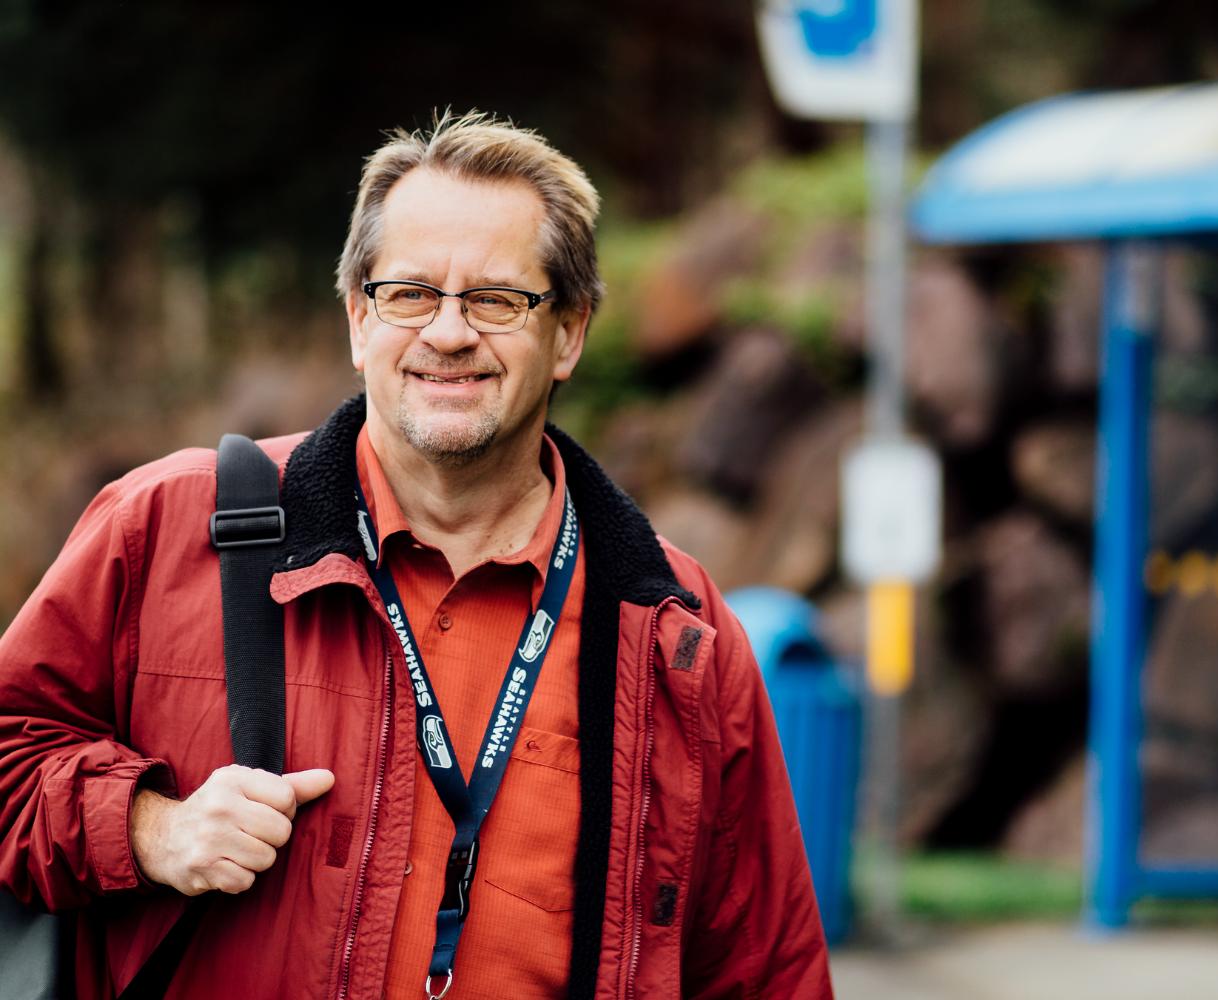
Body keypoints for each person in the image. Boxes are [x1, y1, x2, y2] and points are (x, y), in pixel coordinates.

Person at [0, 111, 833, 1000]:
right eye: (409, 294)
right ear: (360, 318)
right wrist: (147, 828)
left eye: (497, 300)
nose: (448, 332)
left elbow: (763, 970)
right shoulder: (165, 526)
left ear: (571, 333)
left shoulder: (673, 630)